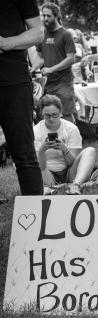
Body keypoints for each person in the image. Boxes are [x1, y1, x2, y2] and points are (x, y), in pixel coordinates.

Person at [0, 0, 44, 196]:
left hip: (13, 81)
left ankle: (37, 217)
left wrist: (7, 43)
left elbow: (38, 32)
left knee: (24, 153)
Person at [34, 95, 96, 195]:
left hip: (69, 172)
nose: (51, 119)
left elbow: (72, 163)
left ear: (61, 113)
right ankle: (50, 187)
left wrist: (65, 150)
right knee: (24, 161)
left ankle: (76, 185)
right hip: (47, 174)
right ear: (42, 114)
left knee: (90, 151)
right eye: (47, 115)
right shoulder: (36, 130)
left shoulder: (71, 128)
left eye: (54, 115)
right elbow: (39, 166)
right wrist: (42, 150)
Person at [33, 3, 77, 122]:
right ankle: (55, 139)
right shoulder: (42, 34)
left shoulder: (66, 34)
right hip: (48, 83)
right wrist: (33, 68)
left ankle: (73, 140)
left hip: (64, 81)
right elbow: (41, 57)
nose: (45, 19)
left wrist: (52, 69)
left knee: (66, 114)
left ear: (56, 16)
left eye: (48, 16)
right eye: (43, 16)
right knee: (49, 114)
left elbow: (71, 58)